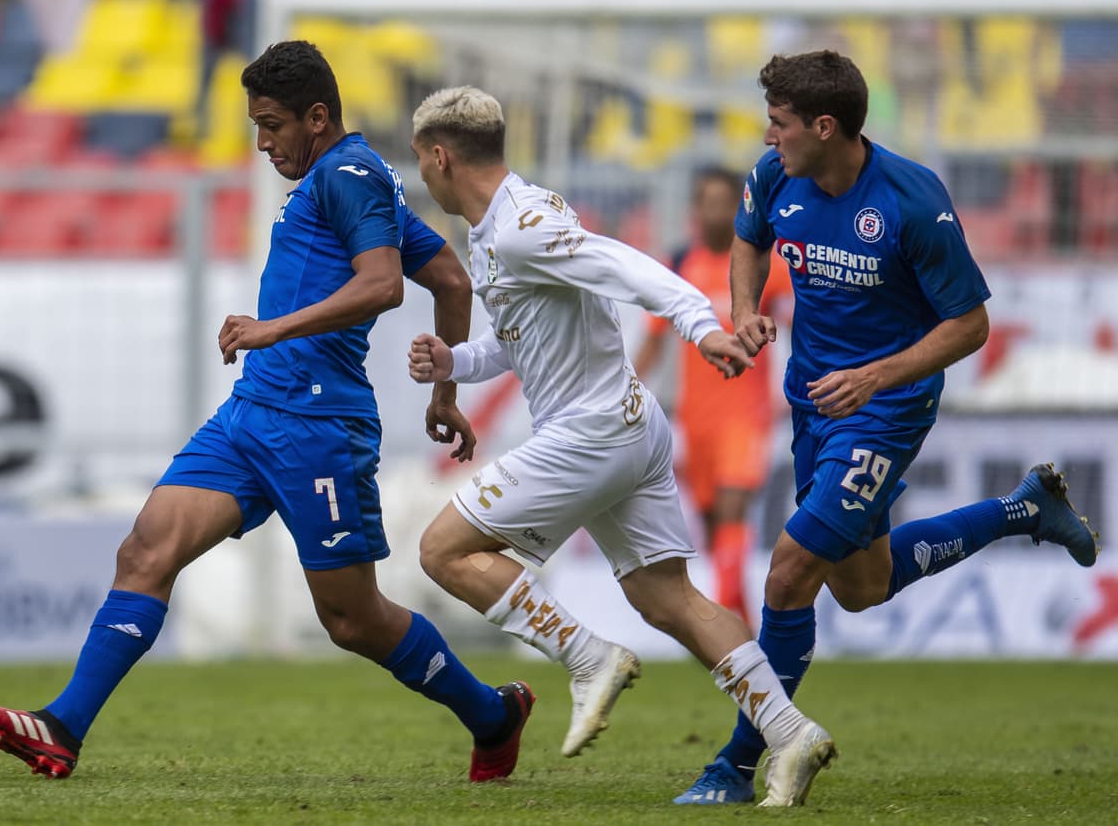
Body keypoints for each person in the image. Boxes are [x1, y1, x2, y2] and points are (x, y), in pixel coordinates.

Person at [0, 41, 535, 784]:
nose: (263, 143)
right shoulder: (342, 177)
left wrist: (273, 328)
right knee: (146, 551)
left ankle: (493, 716)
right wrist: (444, 396)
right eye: (256, 127)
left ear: (318, 116)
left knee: (352, 618)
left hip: (318, 429)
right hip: (251, 415)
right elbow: (451, 283)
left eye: (272, 126)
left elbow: (386, 285)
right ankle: (63, 727)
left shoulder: (355, 174)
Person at [678, 50, 1101, 806]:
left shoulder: (912, 201)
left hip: (886, 408)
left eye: (780, 125)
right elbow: (747, 239)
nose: (769, 138)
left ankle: (738, 763)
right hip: (815, 403)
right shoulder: (777, 175)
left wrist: (875, 376)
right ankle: (1024, 509)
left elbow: (969, 324)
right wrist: (744, 310)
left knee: (788, 572)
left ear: (825, 126)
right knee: (862, 587)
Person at [406, 85, 837, 807]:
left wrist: (702, 328)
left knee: (441, 550)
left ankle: (587, 656)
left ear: (441, 157)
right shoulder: (501, 225)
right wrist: (453, 364)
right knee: (665, 595)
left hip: (591, 430)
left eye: (422, 161)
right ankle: (790, 730)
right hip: (629, 425)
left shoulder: (521, 225)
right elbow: (523, 344)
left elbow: (630, 268)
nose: (423, 174)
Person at [633, 167, 792, 629]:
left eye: (727, 202)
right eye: (709, 202)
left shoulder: (767, 266)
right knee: (710, 521)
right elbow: (655, 339)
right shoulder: (682, 267)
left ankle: (721, 614)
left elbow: (803, 319)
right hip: (696, 420)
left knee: (732, 506)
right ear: (696, 211)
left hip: (747, 415)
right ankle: (737, 625)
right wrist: (625, 384)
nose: (718, 212)